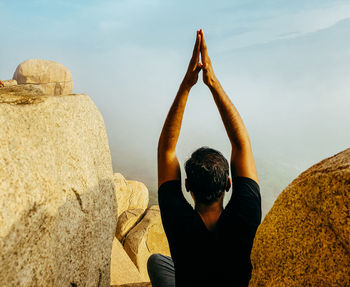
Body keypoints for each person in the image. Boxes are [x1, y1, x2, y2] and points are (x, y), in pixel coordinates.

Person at [148, 29, 261, 287]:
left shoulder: (179, 223)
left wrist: (187, 85)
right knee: (159, 261)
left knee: (157, 261)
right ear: (229, 184)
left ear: (187, 187)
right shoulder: (246, 215)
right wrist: (213, 83)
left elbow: (166, 150)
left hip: (190, 273)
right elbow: (241, 144)